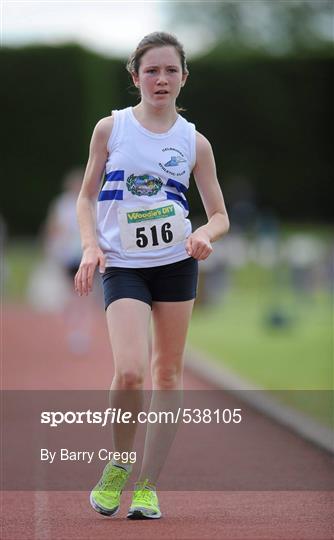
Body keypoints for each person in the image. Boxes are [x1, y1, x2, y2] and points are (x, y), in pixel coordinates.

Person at [74, 31, 229, 520]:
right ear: (135, 76)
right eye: (151, 70)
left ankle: (147, 483)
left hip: (177, 264)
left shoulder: (194, 141)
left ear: (184, 78)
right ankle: (119, 464)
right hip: (123, 266)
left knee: (167, 371)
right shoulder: (111, 129)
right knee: (132, 370)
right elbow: (85, 196)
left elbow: (220, 213)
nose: (161, 79)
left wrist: (207, 233)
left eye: (170, 71)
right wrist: (89, 246)